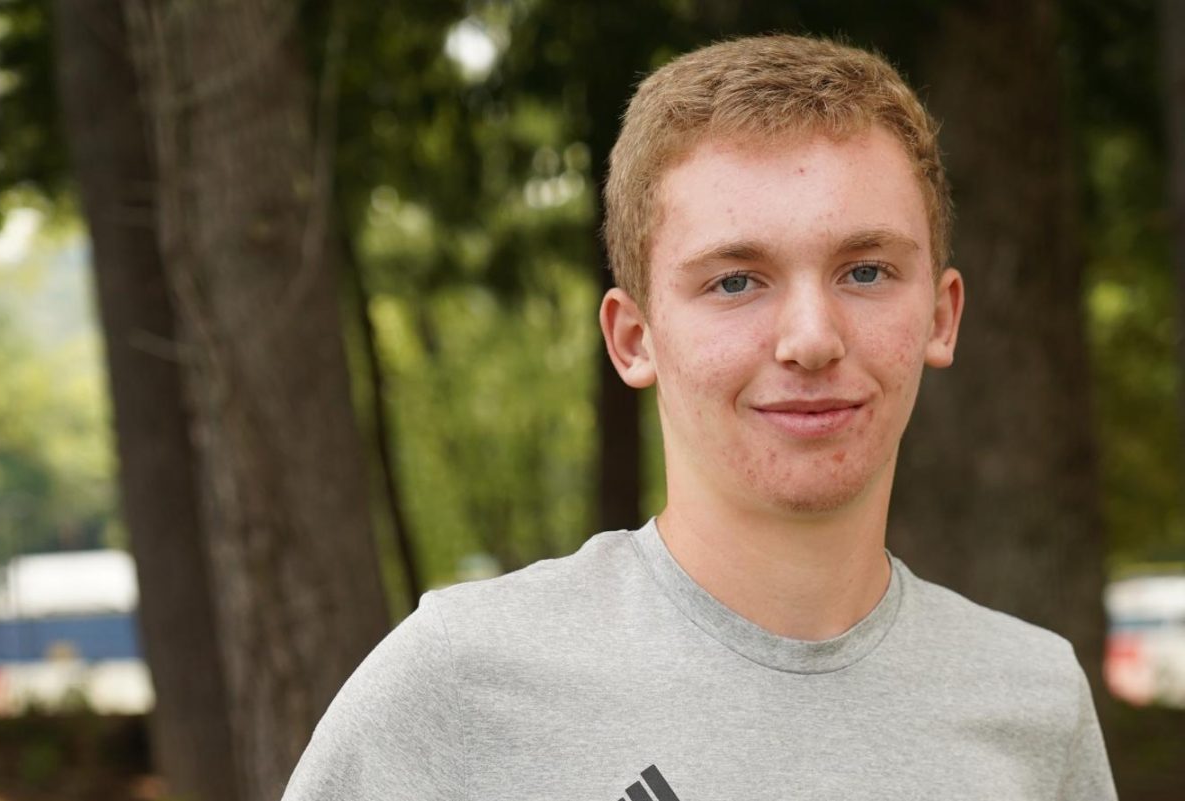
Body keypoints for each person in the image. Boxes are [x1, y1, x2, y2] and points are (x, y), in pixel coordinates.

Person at [282, 33, 1117, 800]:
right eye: (734, 280)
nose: (811, 339)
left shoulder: (1035, 702)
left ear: (940, 315)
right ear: (634, 337)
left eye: (864, 271)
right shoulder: (460, 685)